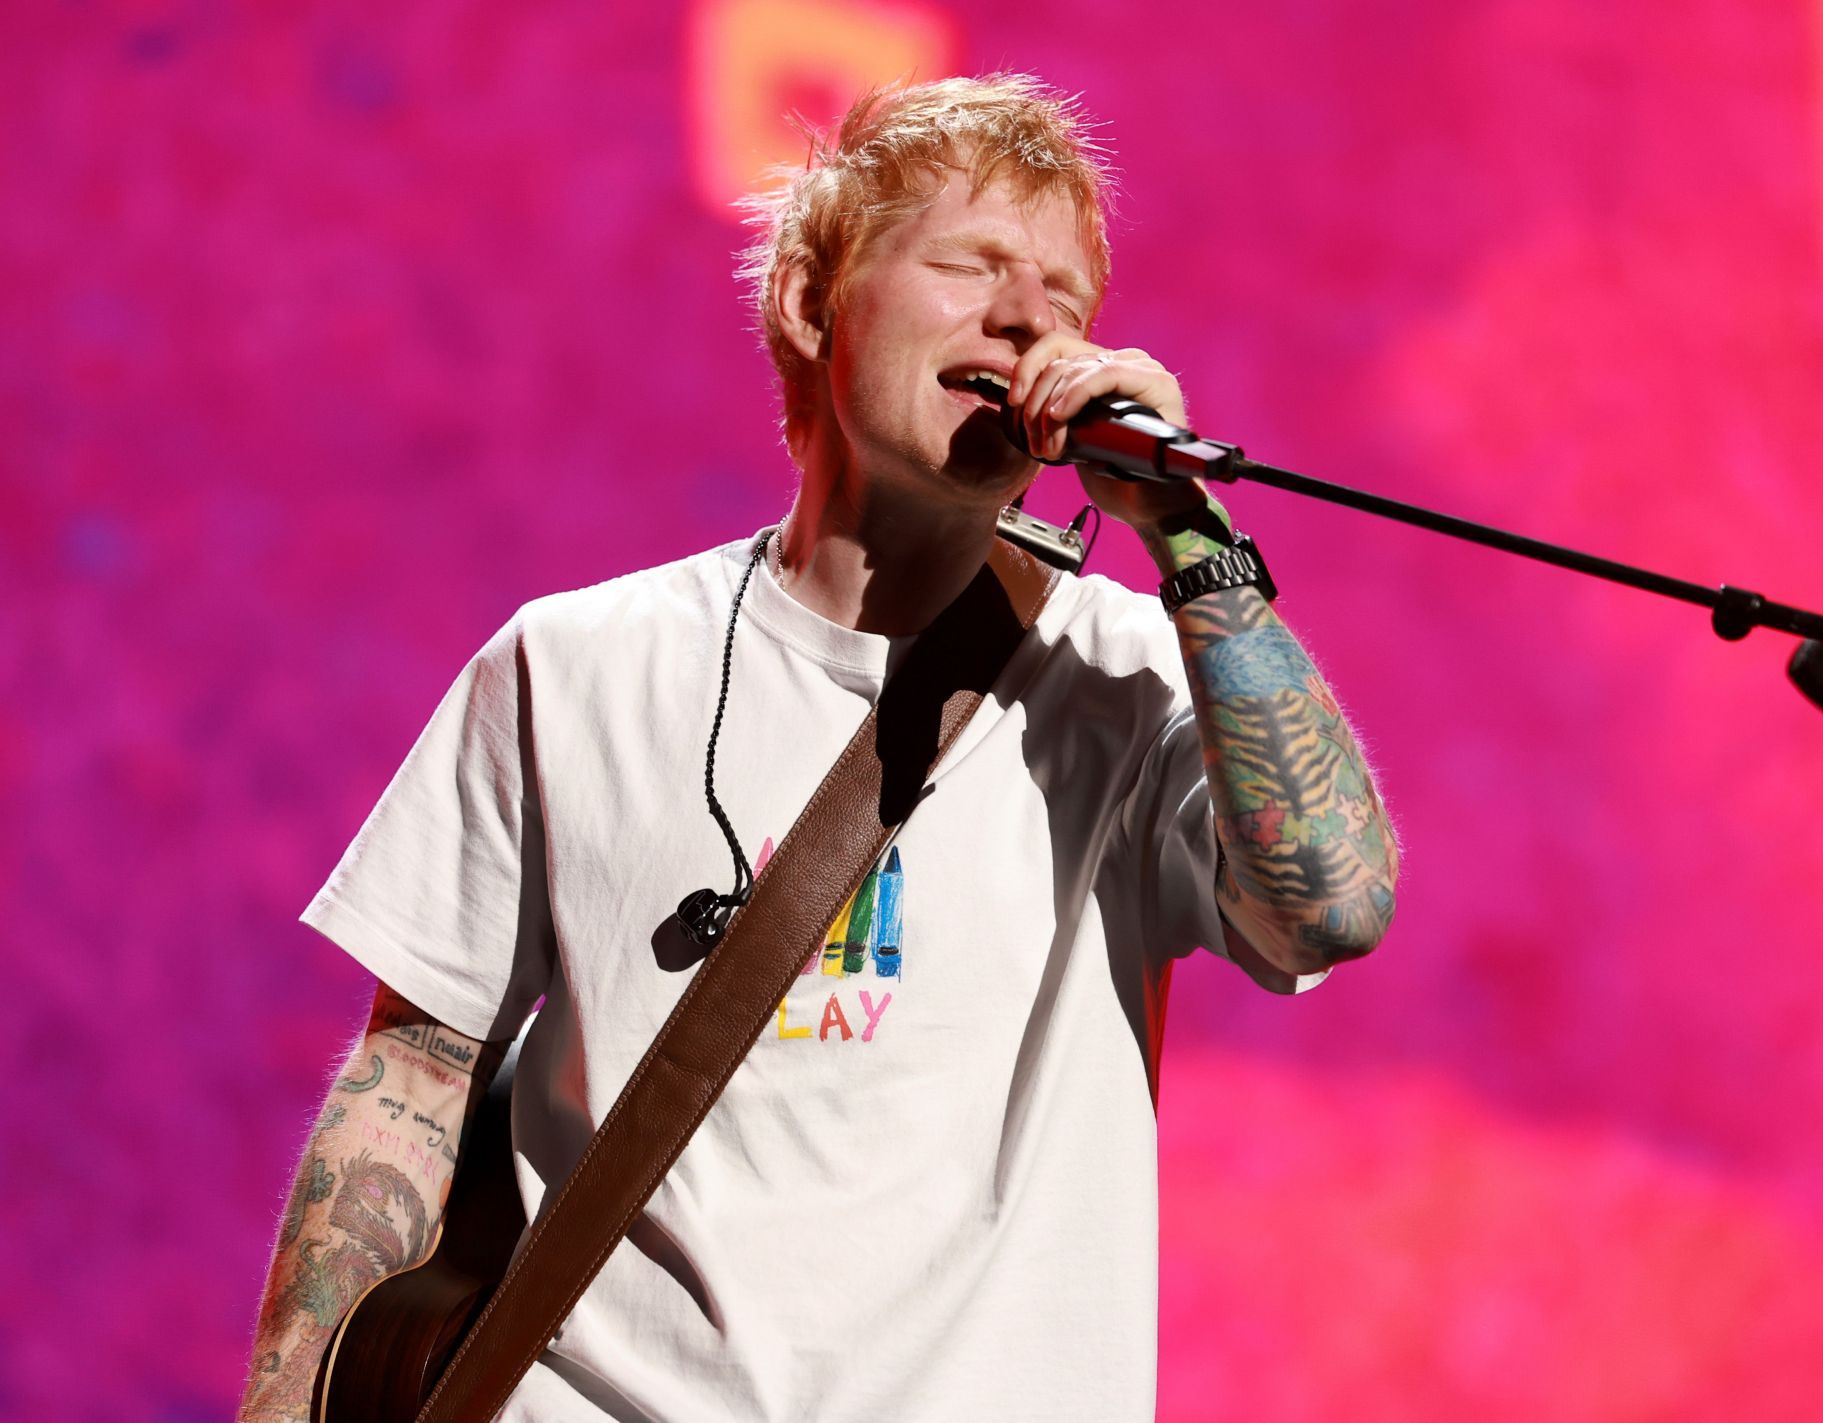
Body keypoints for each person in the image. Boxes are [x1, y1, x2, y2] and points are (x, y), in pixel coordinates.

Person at [238, 73, 1399, 1422]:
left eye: (1066, 299)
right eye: (973, 267)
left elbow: (1336, 903)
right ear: (809, 300)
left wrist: (1193, 539)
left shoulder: (1124, 676)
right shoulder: (572, 666)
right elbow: (412, 1078)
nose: (1030, 321)